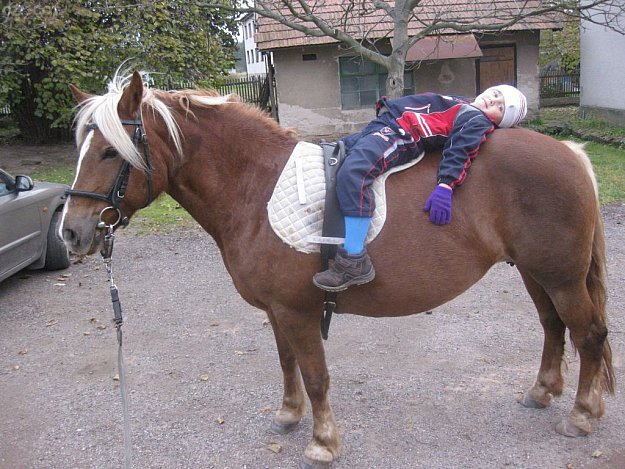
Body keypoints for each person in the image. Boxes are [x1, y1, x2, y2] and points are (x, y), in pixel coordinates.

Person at [313, 84, 527, 292]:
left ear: (500, 122)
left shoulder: (477, 120)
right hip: (385, 124)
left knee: (355, 173)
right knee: (333, 155)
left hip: (401, 134)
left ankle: (354, 258)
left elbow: (461, 149)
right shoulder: (463, 103)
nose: (494, 100)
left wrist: (446, 185)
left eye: (501, 107)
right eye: (497, 94)